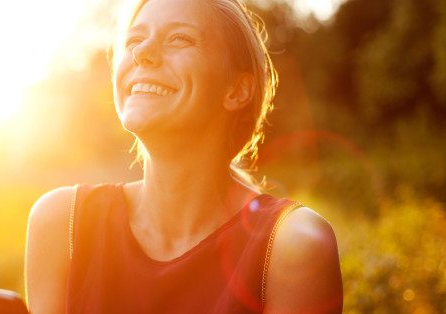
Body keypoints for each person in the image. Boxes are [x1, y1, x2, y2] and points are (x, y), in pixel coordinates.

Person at [25, 0, 343, 313]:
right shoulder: (61, 224)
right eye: (134, 40)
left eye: (179, 38)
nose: (140, 53)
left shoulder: (294, 245)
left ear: (237, 90)